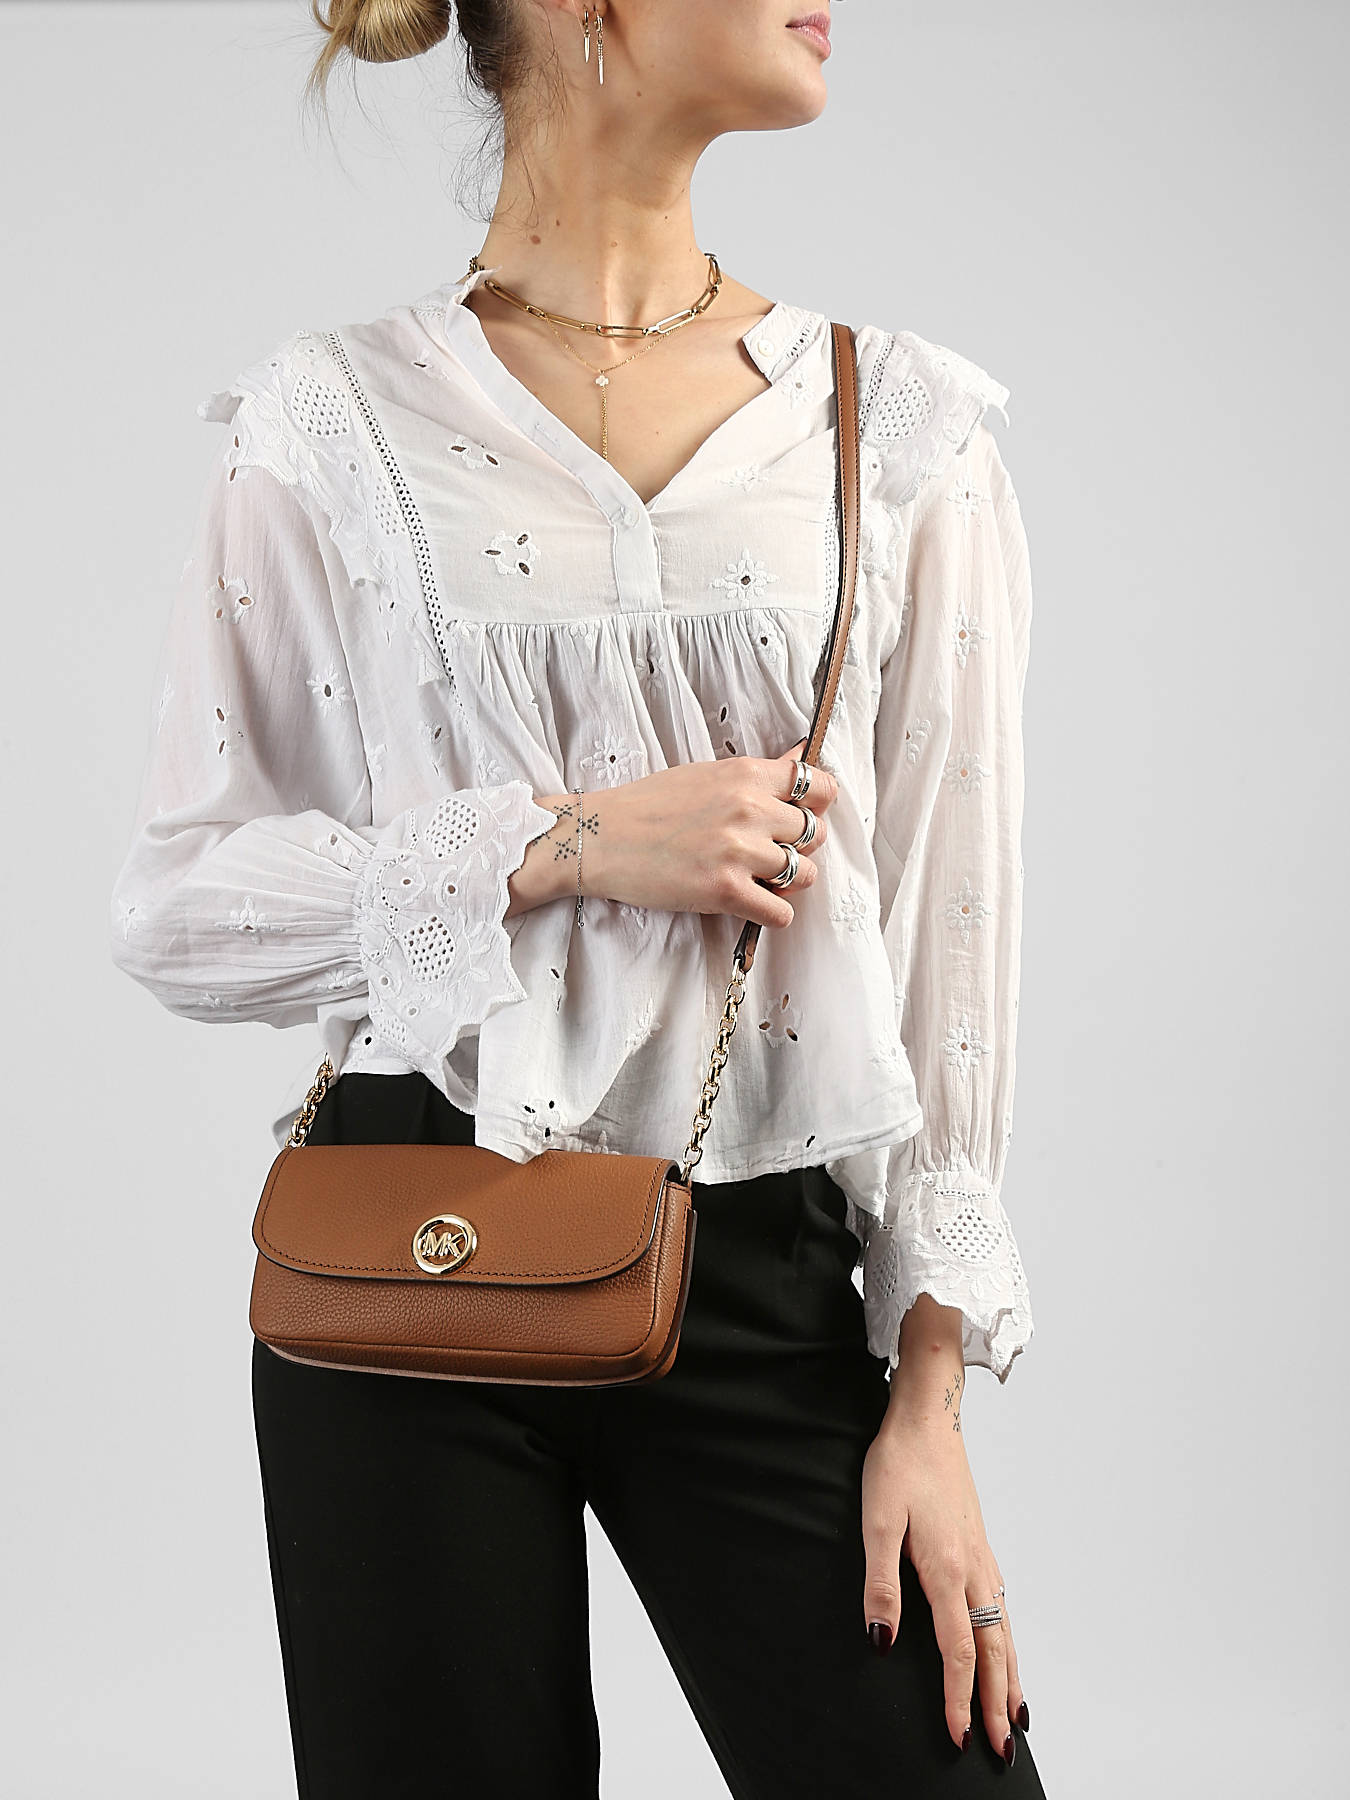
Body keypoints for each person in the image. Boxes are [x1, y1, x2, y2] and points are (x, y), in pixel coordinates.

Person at [108, 0, 1046, 1793]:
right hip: (412, 1237)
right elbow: (179, 907)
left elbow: (955, 939)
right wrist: (566, 844)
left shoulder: (897, 425)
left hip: (762, 1258)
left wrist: (926, 1400)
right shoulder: (330, 419)